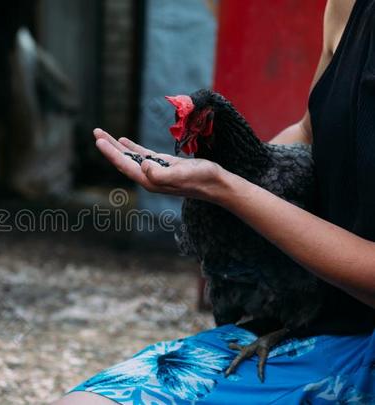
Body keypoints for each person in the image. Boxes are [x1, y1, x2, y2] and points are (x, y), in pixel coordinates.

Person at [53, 0, 375, 403]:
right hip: (323, 320)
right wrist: (239, 174)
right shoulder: (346, 6)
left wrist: (230, 189)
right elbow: (310, 131)